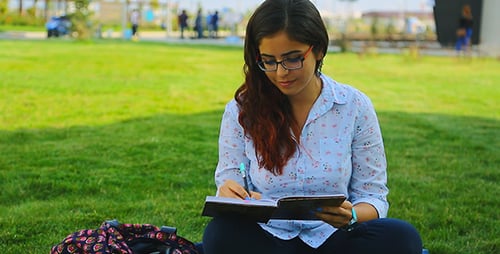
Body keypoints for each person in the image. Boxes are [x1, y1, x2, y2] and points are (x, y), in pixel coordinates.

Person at [202, 0, 423, 254]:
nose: (281, 72)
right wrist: (232, 188)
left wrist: (351, 216)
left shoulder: (353, 106)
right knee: (220, 233)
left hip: (334, 239)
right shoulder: (242, 110)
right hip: (268, 238)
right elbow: (235, 173)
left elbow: (372, 195)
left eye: (292, 59)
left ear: (317, 49)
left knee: (402, 238)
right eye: (269, 61)